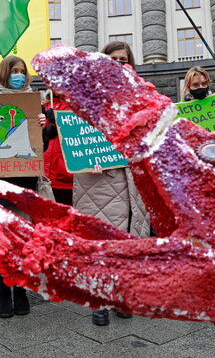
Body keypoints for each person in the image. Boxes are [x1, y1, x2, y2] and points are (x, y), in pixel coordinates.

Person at [73, 41, 151, 326]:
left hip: (132, 176)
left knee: (128, 241)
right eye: (113, 59)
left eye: (124, 59)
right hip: (98, 177)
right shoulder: (85, 95)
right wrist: (89, 156)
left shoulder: (141, 94)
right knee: (102, 240)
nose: (119, 63)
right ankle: (99, 300)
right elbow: (76, 135)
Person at [0, 55, 39, 318]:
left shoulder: (35, 103)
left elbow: (44, 142)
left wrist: (46, 125)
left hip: (25, 185)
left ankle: (20, 289)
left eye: (22, 71)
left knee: (21, 241)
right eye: (14, 71)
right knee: (2, 242)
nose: (18, 76)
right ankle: (3, 291)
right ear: (4, 74)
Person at [38, 90, 74, 205]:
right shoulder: (44, 107)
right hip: (44, 178)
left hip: (66, 178)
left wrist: (60, 122)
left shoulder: (79, 107)